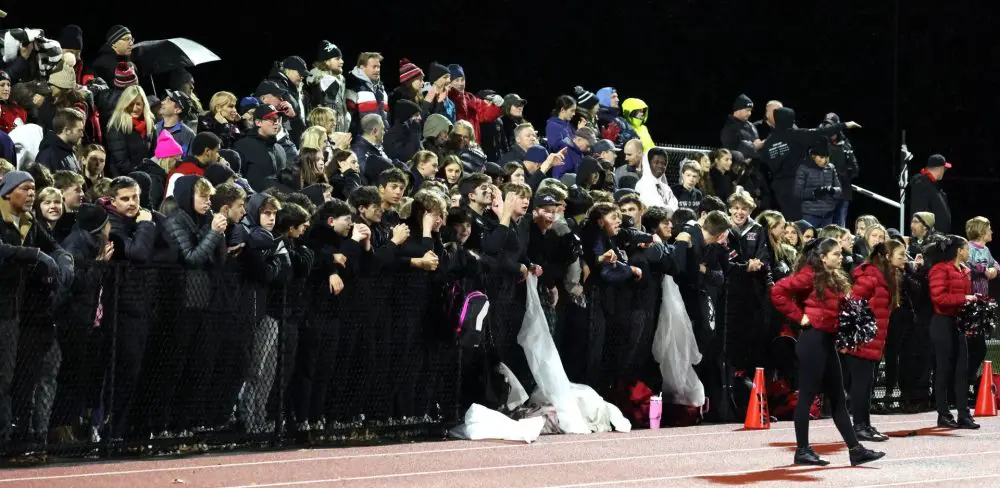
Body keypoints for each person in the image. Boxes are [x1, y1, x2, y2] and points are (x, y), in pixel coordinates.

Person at [771, 238, 885, 466]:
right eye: (835, 254)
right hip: (813, 341)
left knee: (838, 399)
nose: (840, 257)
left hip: (828, 342)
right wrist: (799, 316)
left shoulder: (832, 277)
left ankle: (855, 450)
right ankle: (802, 450)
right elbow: (777, 291)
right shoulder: (809, 275)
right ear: (823, 257)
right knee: (807, 396)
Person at [841, 240, 906, 442]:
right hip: (863, 340)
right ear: (887, 256)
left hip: (875, 340)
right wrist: (852, 337)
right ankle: (859, 426)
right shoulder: (870, 277)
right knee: (862, 384)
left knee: (867, 384)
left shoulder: (886, 276)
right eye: (901, 254)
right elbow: (851, 305)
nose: (905, 258)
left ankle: (865, 424)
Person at [926, 235, 979, 429]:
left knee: (962, 370)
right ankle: (943, 413)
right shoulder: (939, 270)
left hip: (958, 323)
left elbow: (964, 297)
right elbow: (938, 298)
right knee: (943, 369)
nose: (968, 252)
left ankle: (963, 414)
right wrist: (964, 299)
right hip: (941, 322)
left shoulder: (965, 270)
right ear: (959, 250)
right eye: (966, 248)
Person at [909, 154, 953, 233]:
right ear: (940, 169)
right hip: (929, 239)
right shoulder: (922, 184)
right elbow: (920, 212)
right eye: (944, 169)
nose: (944, 171)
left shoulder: (931, 185)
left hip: (936, 238)